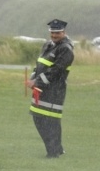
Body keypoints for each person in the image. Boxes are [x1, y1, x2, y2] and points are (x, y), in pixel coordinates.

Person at [26, 19, 75, 158]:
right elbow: (40, 64)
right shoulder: (48, 44)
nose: (54, 35)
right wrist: (32, 78)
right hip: (42, 89)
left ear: (64, 32)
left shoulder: (66, 49)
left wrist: (37, 82)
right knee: (39, 118)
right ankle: (56, 149)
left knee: (50, 122)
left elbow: (56, 71)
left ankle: (53, 153)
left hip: (54, 91)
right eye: (52, 33)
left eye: (57, 33)